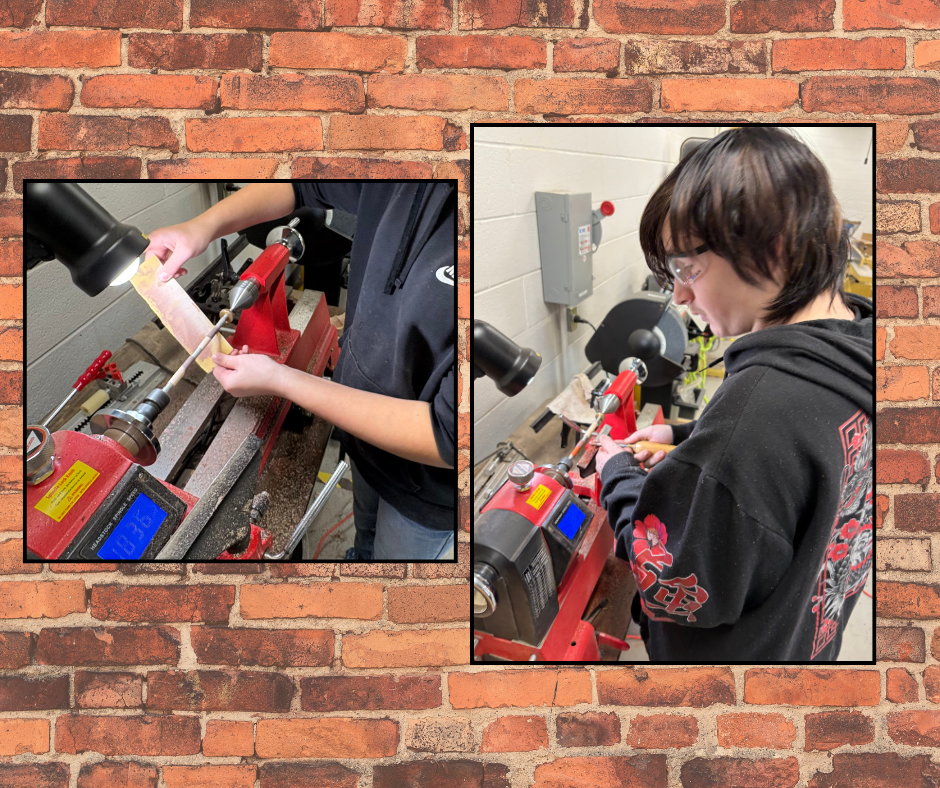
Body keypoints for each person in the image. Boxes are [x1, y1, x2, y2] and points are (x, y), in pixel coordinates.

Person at [593, 127, 873, 661]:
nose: (678, 293)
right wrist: (689, 439)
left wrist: (617, 475)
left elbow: (669, 585)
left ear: (772, 251)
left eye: (685, 267)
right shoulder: (855, 348)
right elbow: (797, 465)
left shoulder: (757, 413)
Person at [144, 183, 456, 560]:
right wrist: (203, 227)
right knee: (367, 535)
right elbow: (301, 184)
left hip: (426, 492)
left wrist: (281, 379)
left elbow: (447, 435)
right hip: (365, 445)